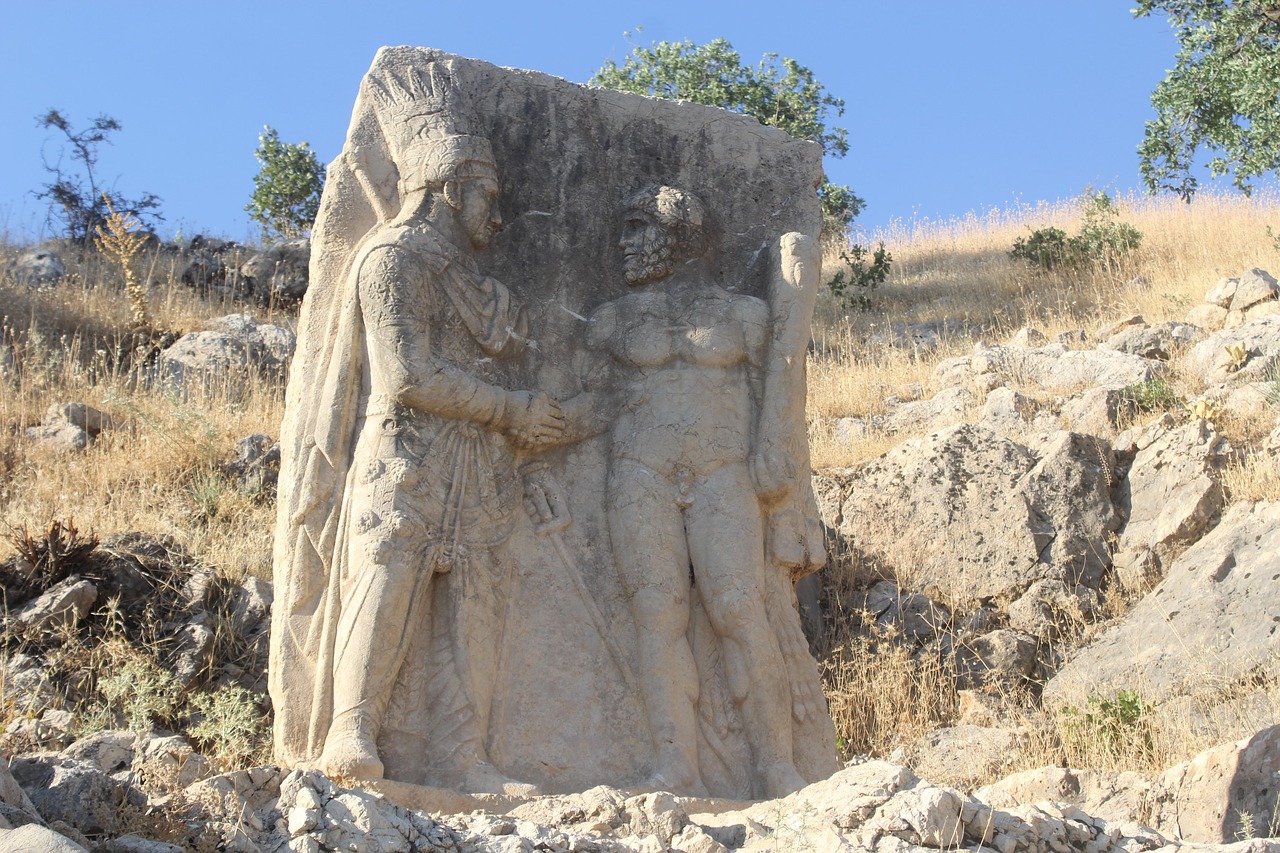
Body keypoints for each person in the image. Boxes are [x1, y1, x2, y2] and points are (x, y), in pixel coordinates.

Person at [271, 64, 563, 789]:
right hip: (405, 451)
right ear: (448, 187)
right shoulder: (390, 261)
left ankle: (466, 755)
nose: (497, 216)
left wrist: (529, 432)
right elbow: (407, 375)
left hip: (481, 461)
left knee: (477, 602)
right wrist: (512, 410)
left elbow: (502, 375)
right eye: (488, 195)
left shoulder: (484, 287)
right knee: (386, 579)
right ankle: (351, 730)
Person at [582, 184, 814, 798]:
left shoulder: (747, 317)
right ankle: (675, 764)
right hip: (639, 474)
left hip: (723, 474)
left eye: (638, 228)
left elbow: (781, 401)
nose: (625, 244)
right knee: (658, 616)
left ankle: (776, 766)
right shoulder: (612, 319)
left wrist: (783, 480)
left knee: (740, 610)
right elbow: (591, 407)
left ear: (678, 235)